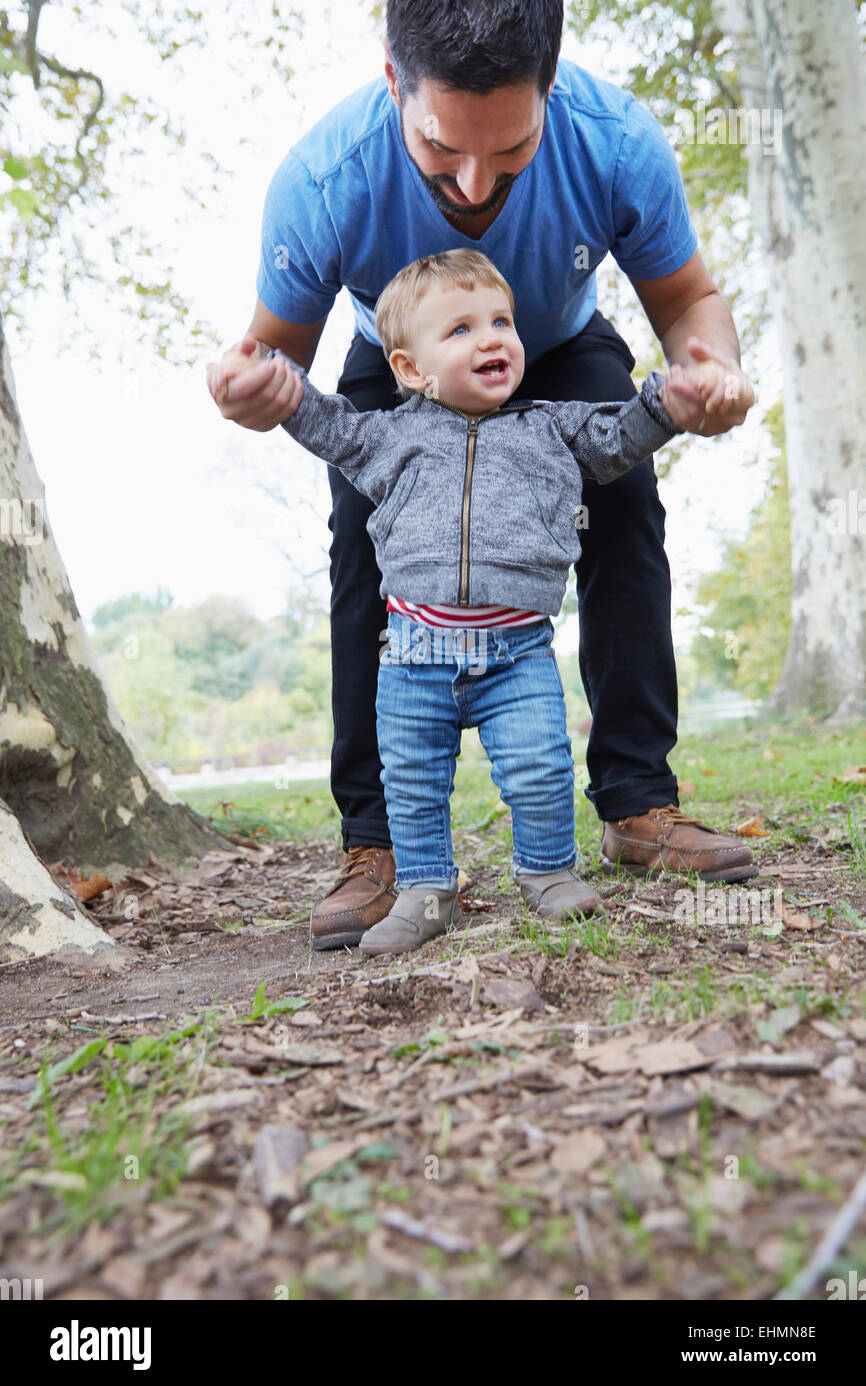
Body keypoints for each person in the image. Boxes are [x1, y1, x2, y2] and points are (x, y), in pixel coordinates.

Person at [206, 0, 757, 951]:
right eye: (442, 151)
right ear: (393, 80)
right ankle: (376, 844)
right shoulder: (325, 177)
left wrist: (708, 375)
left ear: (551, 87)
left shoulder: (615, 138)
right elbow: (276, 363)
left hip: (555, 343)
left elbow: (688, 301)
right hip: (406, 355)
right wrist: (253, 393)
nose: (474, 186)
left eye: (511, 155)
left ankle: (639, 803)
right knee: (361, 542)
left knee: (626, 504)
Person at [250, 248, 740, 956]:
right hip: (414, 659)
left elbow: (620, 434)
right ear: (410, 370)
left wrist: (670, 401)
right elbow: (327, 423)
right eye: (460, 330)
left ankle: (548, 872)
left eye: (501, 322)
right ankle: (423, 890)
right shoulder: (389, 436)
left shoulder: (554, 427)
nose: (491, 338)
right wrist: (273, 382)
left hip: (516, 656)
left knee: (540, 767)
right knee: (413, 784)